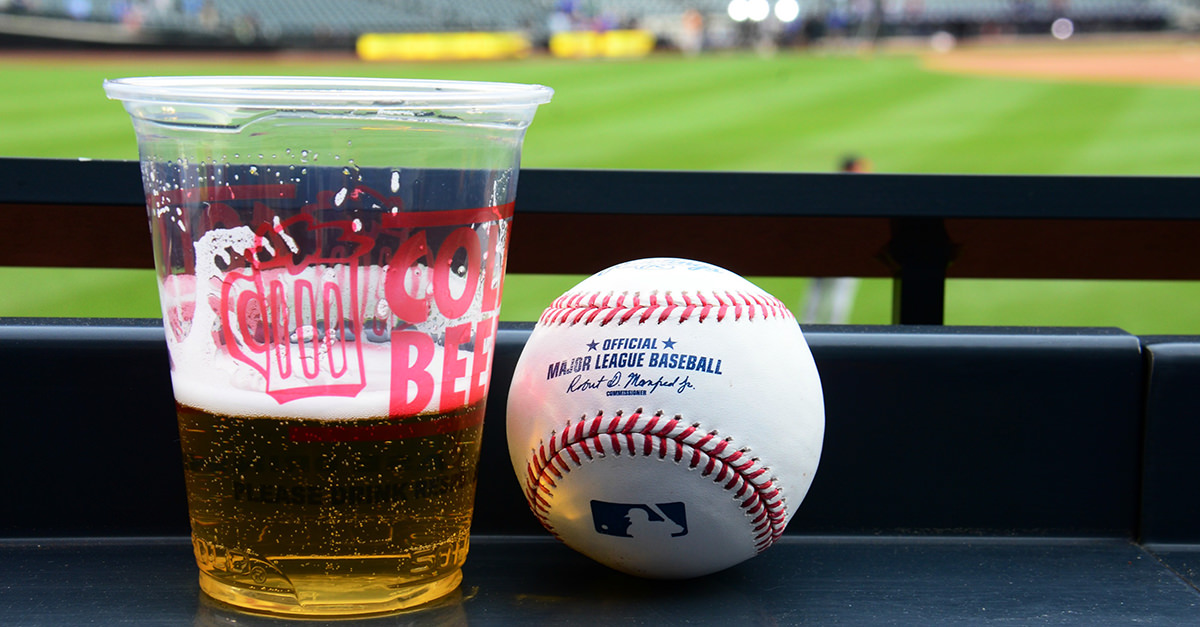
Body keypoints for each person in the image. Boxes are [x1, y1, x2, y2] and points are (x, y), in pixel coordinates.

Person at [802, 155, 870, 324]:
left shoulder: (827, 189)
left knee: (816, 296)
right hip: (844, 251)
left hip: (823, 250)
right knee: (839, 294)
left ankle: (807, 328)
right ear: (851, 169)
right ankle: (836, 330)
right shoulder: (861, 193)